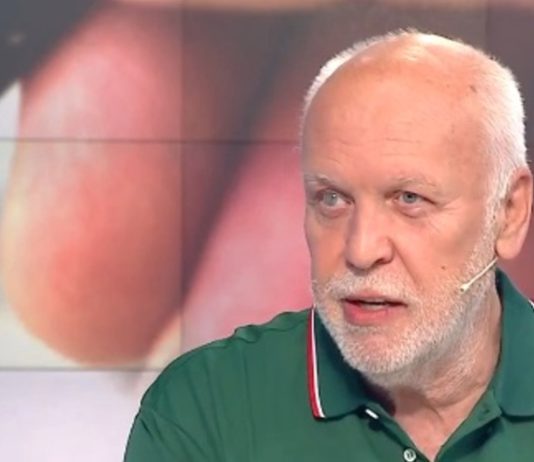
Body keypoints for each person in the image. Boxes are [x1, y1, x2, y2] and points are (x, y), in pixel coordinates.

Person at [124, 30, 534, 461]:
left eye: (409, 199)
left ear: (509, 212)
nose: (361, 250)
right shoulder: (207, 407)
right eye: (332, 199)